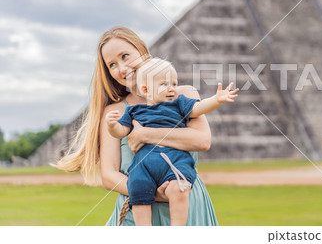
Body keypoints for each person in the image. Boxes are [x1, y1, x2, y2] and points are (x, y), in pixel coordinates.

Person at [56, 26, 219, 226]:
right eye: (112, 65)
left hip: (187, 211)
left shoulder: (183, 94)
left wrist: (144, 134)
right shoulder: (114, 112)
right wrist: (152, 193)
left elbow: (202, 141)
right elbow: (108, 176)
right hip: (137, 215)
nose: (122, 69)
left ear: (142, 51)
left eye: (125, 56)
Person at [106, 58, 238, 225]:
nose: (171, 89)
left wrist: (216, 100)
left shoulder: (179, 104)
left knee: (179, 188)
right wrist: (111, 126)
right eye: (164, 85)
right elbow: (120, 132)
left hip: (175, 161)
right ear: (146, 90)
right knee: (138, 187)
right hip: (144, 164)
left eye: (174, 84)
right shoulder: (134, 111)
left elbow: (199, 108)